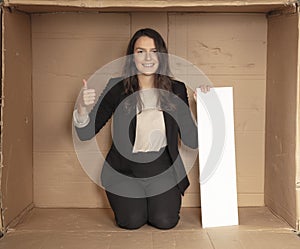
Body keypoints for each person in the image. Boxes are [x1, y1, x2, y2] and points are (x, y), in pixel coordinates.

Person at [73, 28, 210, 230]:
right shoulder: (117, 88)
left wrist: (205, 109)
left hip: (163, 170)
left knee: (164, 221)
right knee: (132, 221)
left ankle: (155, 203)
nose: (148, 57)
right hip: (124, 172)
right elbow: (85, 133)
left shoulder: (176, 89)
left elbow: (192, 140)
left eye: (154, 51)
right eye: (140, 51)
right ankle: (137, 204)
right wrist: (83, 109)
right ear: (132, 57)